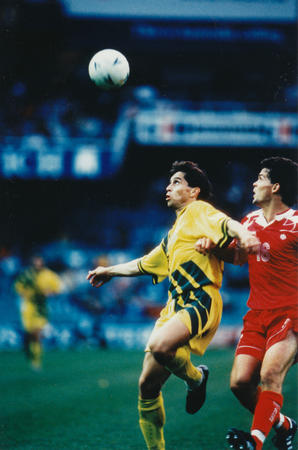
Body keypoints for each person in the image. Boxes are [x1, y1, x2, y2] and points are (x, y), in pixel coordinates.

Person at [87, 160, 260, 450]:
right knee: (147, 387)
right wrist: (109, 271)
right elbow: (145, 263)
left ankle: (195, 378)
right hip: (175, 307)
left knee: (159, 345)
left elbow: (226, 224)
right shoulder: (174, 233)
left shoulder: (198, 210)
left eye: (177, 182)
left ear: (194, 191)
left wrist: (245, 234)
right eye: (170, 182)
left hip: (200, 300)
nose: (169, 187)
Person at [195, 157, 298, 450]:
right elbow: (238, 257)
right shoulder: (249, 221)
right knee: (240, 383)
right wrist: (213, 249)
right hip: (257, 315)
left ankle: (254, 442)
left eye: (260, 178)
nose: (254, 183)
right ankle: (285, 425)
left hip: (290, 314)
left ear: (275, 186)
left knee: (270, 375)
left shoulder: (296, 223)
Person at [15, 255, 62, 370]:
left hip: (41, 308)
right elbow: (18, 287)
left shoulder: (49, 275)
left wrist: (49, 292)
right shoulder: (27, 275)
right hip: (29, 307)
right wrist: (25, 293)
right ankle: (30, 352)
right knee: (30, 334)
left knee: (37, 334)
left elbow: (57, 289)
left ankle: (36, 360)